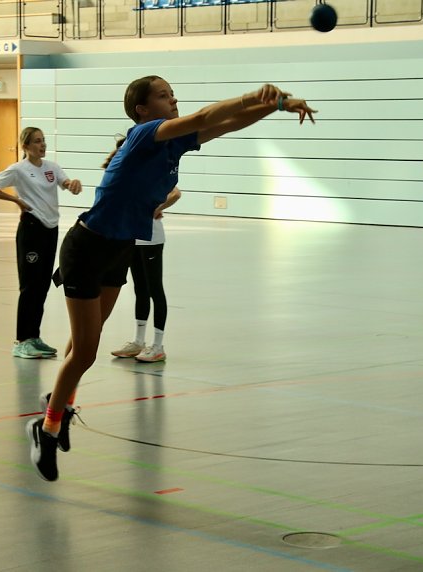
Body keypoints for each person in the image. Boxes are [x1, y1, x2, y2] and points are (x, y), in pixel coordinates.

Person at [26, 76, 315, 481]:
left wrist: (278, 105)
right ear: (142, 109)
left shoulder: (173, 144)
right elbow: (205, 115)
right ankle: (48, 426)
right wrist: (253, 94)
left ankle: (57, 397)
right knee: (86, 353)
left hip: (119, 250)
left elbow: (226, 124)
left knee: (80, 346)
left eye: (172, 92)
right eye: (163, 95)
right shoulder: (145, 134)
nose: (173, 98)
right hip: (86, 248)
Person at [0, 127, 82, 359]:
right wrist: (16, 200)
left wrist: (73, 184)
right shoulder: (18, 170)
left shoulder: (51, 167)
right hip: (32, 228)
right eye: (37, 141)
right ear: (26, 146)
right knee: (29, 286)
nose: (42, 145)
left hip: (51, 228)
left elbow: (66, 184)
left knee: (42, 285)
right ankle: (22, 340)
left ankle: (34, 337)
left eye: (43, 140)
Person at [111, 186, 181, 363]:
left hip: (152, 238)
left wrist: (158, 208)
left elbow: (176, 193)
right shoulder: (129, 176)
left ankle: (158, 346)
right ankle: (138, 341)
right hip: (132, 238)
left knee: (155, 289)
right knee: (140, 290)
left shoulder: (153, 174)